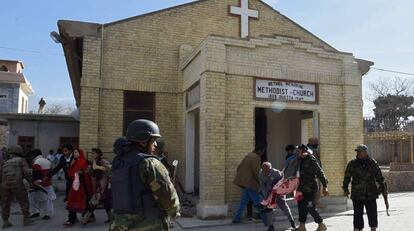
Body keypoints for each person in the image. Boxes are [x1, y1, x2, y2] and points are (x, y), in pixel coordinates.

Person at [109, 119, 180, 231]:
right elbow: (166, 194)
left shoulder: (118, 162)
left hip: (119, 224)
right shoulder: (149, 162)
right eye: (154, 140)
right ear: (143, 141)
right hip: (147, 224)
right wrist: (174, 211)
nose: (156, 145)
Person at [343, 144, 385, 231]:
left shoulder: (372, 163)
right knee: (358, 213)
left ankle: (373, 227)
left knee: (372, 212)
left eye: (360, 151)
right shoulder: (352, 163)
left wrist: (382, 186)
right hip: (357, 193)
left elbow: (379, 176)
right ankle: (358, 228)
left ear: (365, 152)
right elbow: (347, 177)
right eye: (357, 151)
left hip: (371, 193)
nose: (358, 153)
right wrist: (345, 188)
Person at [294, 144, 328, 231]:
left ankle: (321, 224)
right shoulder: (300, 160)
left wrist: (325, 186)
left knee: (310, 207)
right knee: (301, 207)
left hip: (310, 188)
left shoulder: (311, 160)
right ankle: (302, 226)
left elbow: (320, 173)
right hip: (300, 188)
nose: (297, 152)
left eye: (298, 151)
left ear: (303, 151)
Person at [232, 143, 266, 224]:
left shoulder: (249, 155)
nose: (263, 153)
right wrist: (261, 182)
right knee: (259, 202)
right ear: (260, 151)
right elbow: (256, 172)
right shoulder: (256, 157)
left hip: (245, 183)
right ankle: (266, 218)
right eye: (263, 151)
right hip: (251, 183)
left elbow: (239, 167)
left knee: (243, 202)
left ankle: (236, 218)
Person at [0, 145, 33, 228]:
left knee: (5, 203)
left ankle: (5, 221)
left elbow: (1, 175)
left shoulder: (4, 162)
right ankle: (26, 219)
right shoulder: (21, 160)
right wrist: (31, 182)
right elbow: (26, 173)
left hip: (4, 185)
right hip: (17, 184)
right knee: (23, 201)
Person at [259, 162, 296, 231]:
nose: (267, 172)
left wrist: (279, 194)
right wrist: (266, 197)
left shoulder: (277, 173)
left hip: (279, 193)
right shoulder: (261, 175)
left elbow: (282, 184)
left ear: (271, 168)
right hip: (268, 194)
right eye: (265, 170)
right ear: (262, 169)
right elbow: (262, 187)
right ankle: (270, 226)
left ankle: (292, 221)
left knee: (284, 207)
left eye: (268, 170)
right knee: (269, 210)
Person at [29, 149, 56, 220]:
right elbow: (51, 172)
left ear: (34, 155)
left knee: (33, 198)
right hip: (48, 183)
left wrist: (36, 182)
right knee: (48, 199)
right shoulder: (47, 160)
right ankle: (47, 213)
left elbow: (36, 174)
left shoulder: (37, 162)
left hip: (40, 184)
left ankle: (38, 212)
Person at [88, 148, 112, 223]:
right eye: (92, 153)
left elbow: (109, 167)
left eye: (94, 153)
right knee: (105, 203)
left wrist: (98, 167)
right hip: (97, 185)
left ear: (98, 154)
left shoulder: (102, 161)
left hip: (103, 185)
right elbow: (93, 172)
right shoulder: (94, 162)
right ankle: (110, 218)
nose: (92, 155)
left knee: (94, 201)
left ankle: (87, 218)